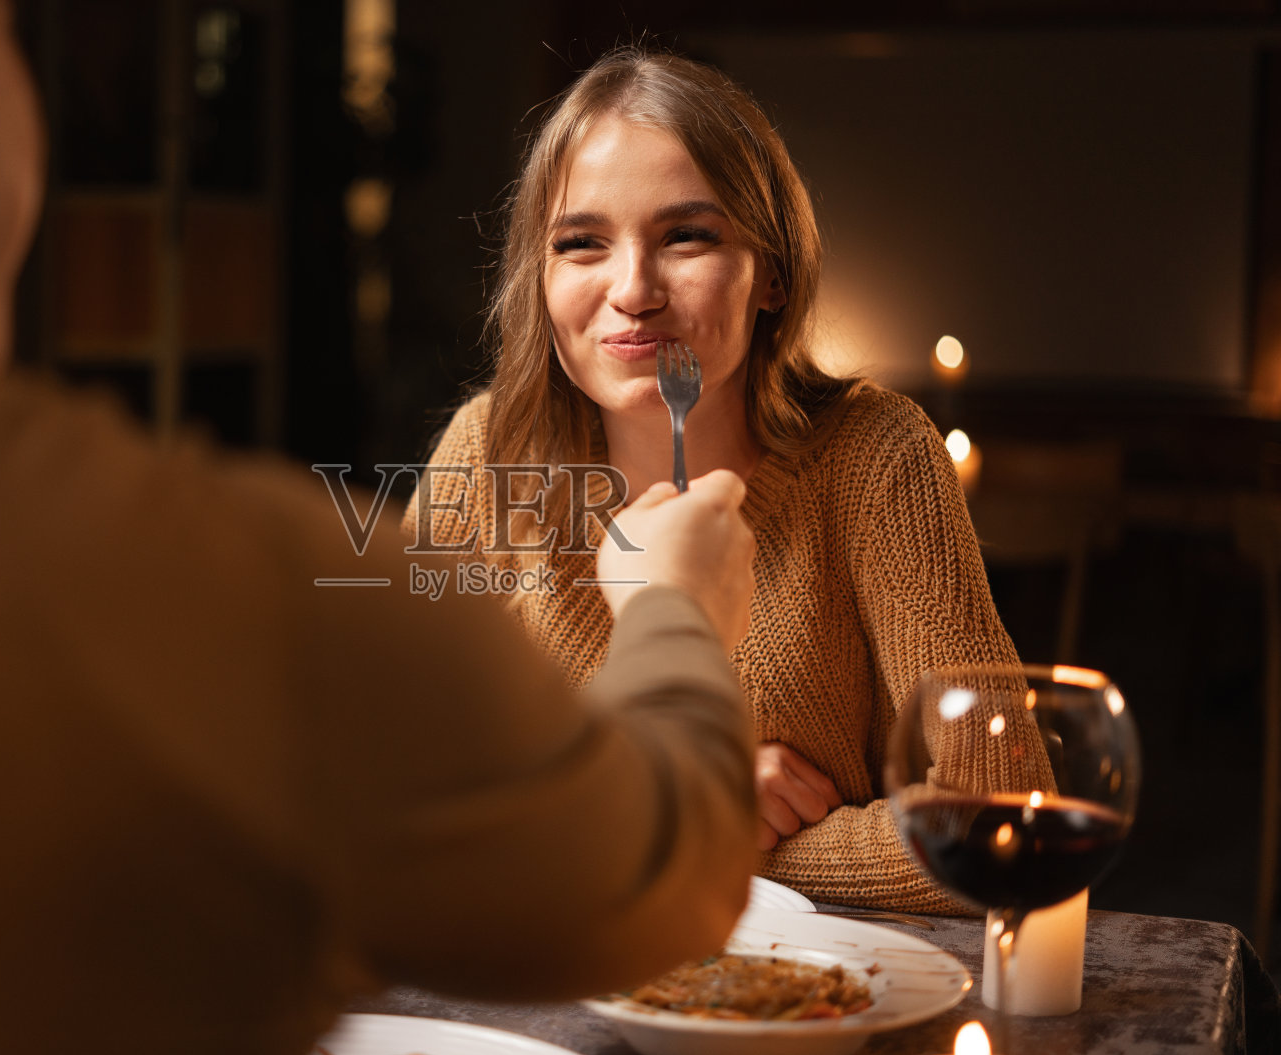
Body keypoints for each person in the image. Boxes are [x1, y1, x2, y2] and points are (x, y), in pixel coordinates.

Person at [0, 5, 765, 1055]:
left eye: (685, 235)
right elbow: (648, 876)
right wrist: (675, 611)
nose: (632, 286)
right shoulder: (235, 589)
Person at [407, 47, 1024, 915]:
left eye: (686, 235)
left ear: (772, 271)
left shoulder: (876, 456)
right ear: (539, 277)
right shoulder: (484, 457)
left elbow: (1000, 827)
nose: (632, 290)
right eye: (581, 243)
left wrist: (743, 845)